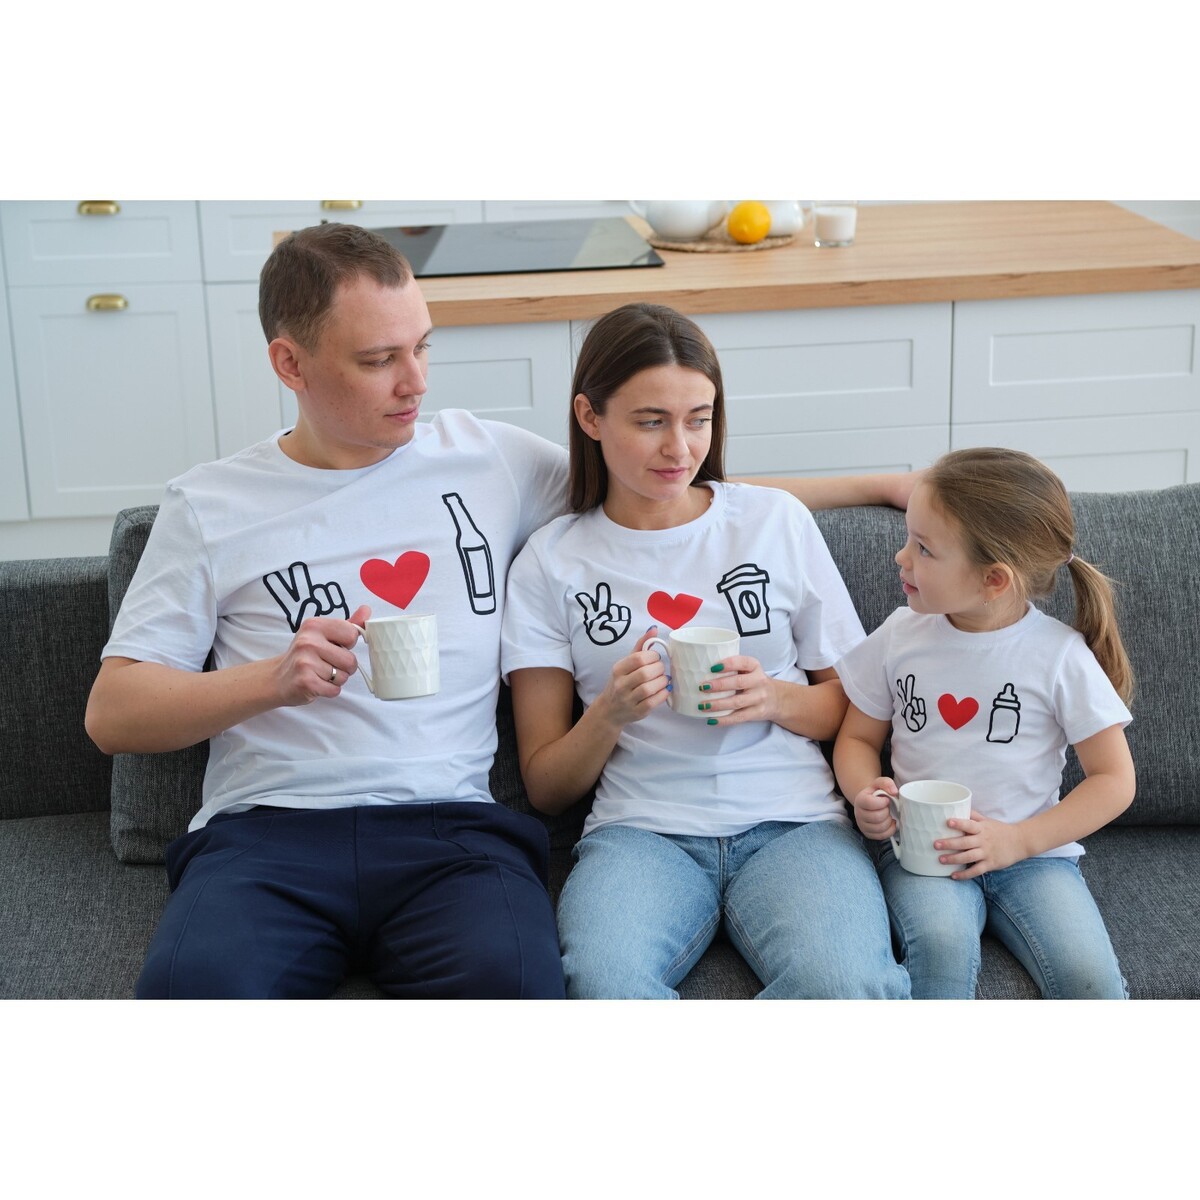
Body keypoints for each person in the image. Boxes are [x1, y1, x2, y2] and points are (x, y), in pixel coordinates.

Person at [85, 224, 913, 1000]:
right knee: (191, 996)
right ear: (289, 364)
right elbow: (113, 713)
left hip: (451, 836)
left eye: (422, 347)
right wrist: (271, 680)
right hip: (268, 836)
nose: (416, 382)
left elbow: (669, 485)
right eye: (379, 360)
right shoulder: (211, 505)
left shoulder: (485, 459)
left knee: (519, 992)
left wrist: (875, 484)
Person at [500, 302, 910, 999]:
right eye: (650, 421)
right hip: (640, 832)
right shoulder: (550, 561)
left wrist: (773, 698)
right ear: (590, 417)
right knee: (603, 987)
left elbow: (854, 707)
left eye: (699, 419)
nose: (680, 448)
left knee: (848, 987)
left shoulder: (774, 521)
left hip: (795, 822)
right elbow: (545, 786)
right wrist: (609, 713)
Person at [833, 447, 1135, 999]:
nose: (901, 557)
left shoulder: (1059, 656)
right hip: (926, 852)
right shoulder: (900, 634)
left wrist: (1018, 841)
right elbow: (856, 737)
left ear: (994, 579)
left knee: (1089, 979)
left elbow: (1115, 780)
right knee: (940, 950)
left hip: (1034, 858)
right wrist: (863, 792)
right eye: (908, 539)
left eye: (923, 548)